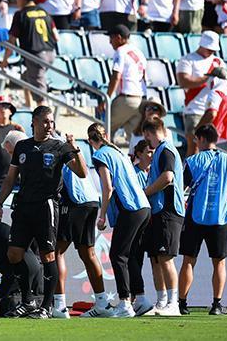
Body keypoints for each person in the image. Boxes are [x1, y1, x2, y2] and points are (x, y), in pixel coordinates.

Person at [0, 106, 89, 319]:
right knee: (14, 254)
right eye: (45, 121)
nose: (49, 125)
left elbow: (82, 172)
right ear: (34, 122)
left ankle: (46, 307)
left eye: (52, 122)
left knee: (47, 255)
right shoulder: (22, 147)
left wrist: (75, 149)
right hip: (23, 207)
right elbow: (10, 178)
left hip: (46, 207)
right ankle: (28, 301)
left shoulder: (59, 147)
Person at [178, 124, 227, 316]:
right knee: (219, 263)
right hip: (219, 218)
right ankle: (217, 305)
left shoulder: (193, 161)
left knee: (188, 261)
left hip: (195, 216)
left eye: (196, 140)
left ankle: (182, 304)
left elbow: (180, 188)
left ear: (201, 139)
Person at [89, 122, 151, 318]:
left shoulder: (100, 155)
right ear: (106, 136)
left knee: (117, 255)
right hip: (143, 207)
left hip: (130, 207)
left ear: (90, 141)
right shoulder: (119, 152)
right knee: (130, 255)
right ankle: (140, 299)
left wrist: (102, 215)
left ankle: (125, 302)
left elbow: (107, 188)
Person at [54, 162, 111, 318]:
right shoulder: (74, 151)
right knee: (88, 253)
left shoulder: (55, 150)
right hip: (91, 200)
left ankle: (59, 306)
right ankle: (102, 303)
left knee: (56, 252)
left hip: (74, 200)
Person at [142, 117, 184, 316]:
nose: (146, 141)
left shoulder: (166, 150)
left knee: (165, 258)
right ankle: (161, 302)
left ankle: (173, 303)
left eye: (146, 136)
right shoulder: (160, 150)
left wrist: (146, 191)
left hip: (168, 210)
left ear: (149, 133)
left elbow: (168, 177)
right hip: (158, 211)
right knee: (156, 259)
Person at [1, 0, 58, 108]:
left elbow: (11, 41)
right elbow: (56, 36)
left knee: (40, 96)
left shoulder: (20, 14)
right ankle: (29, 107)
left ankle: (44, 115)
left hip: (35, 56)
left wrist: (5, 60)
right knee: (26, 78)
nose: (16, 0)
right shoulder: (44, 12)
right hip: (50, 53)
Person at [176, 30, 227, 156]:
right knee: (194, 145)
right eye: (209, 48)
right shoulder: (187, 59)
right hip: (194, 109)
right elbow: (183, 82)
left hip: (213, 109)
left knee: (213, 147)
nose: (212, 51)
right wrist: (207, 77)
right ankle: (189, 168)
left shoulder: (218, 61)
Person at [131, 138, 164, 315]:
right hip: (138, 224)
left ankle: (162, 300)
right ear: (139, 154)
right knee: (134, 260)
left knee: (156, 261)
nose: (152, 155)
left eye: (153, 152)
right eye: (148, 152)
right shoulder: (133, 173)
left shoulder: (155, 173)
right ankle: (133, 299)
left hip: (154, 223)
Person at [102, 24, 147, 139]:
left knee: (103, 132)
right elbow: (144, 77)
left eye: (111, 38)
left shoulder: (120, 51)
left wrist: (106, 99)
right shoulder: (139, 52)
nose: (110, 42)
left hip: (126, 99)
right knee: (136, 139)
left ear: (118, 37)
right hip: (140, 100)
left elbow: (116, 76)